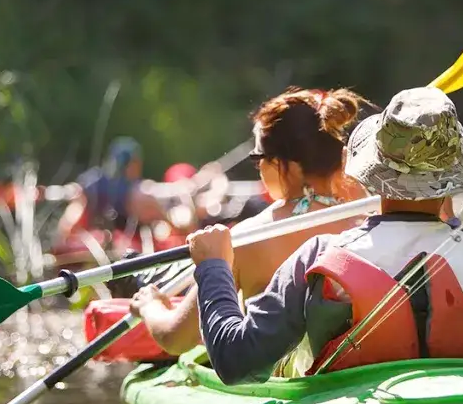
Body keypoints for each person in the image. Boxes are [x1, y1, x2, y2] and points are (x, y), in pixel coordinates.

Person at [166, 86, 463, 384]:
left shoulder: (320, 257)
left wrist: (213, 267)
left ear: (373, 171)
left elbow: (233, 361)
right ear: (452, 177)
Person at [130, 87, 376, 354]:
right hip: (352, 366)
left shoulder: (248, 237)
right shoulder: (369, 221)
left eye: (258, 159)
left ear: (288, 166)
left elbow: (175, 338)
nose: (258, 168)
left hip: (284, 381)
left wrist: (150, 305)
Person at [55, 136, 189, 243]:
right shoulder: (138, 193)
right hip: (107, 244)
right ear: (132, 164)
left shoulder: (95, 182)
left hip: (108, 240)